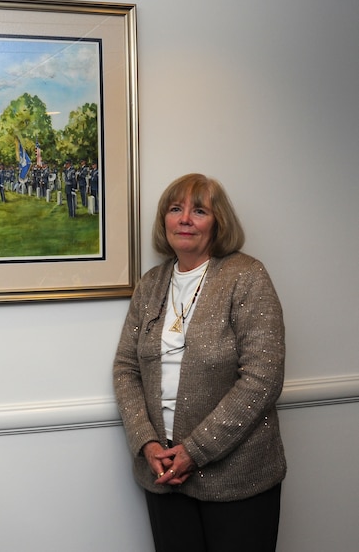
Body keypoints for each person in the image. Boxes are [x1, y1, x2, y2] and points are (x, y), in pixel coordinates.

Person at [113, 173, 286, 552]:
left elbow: (263, 377)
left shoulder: (247, 276)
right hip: (162, 475)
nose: (185, 219)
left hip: (238, 479)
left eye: (199, 210)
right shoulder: (151, 284)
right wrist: (147, 444)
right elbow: (126, 368)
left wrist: (195, 450)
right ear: (164, 221)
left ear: (218, 222)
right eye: (176, 209)